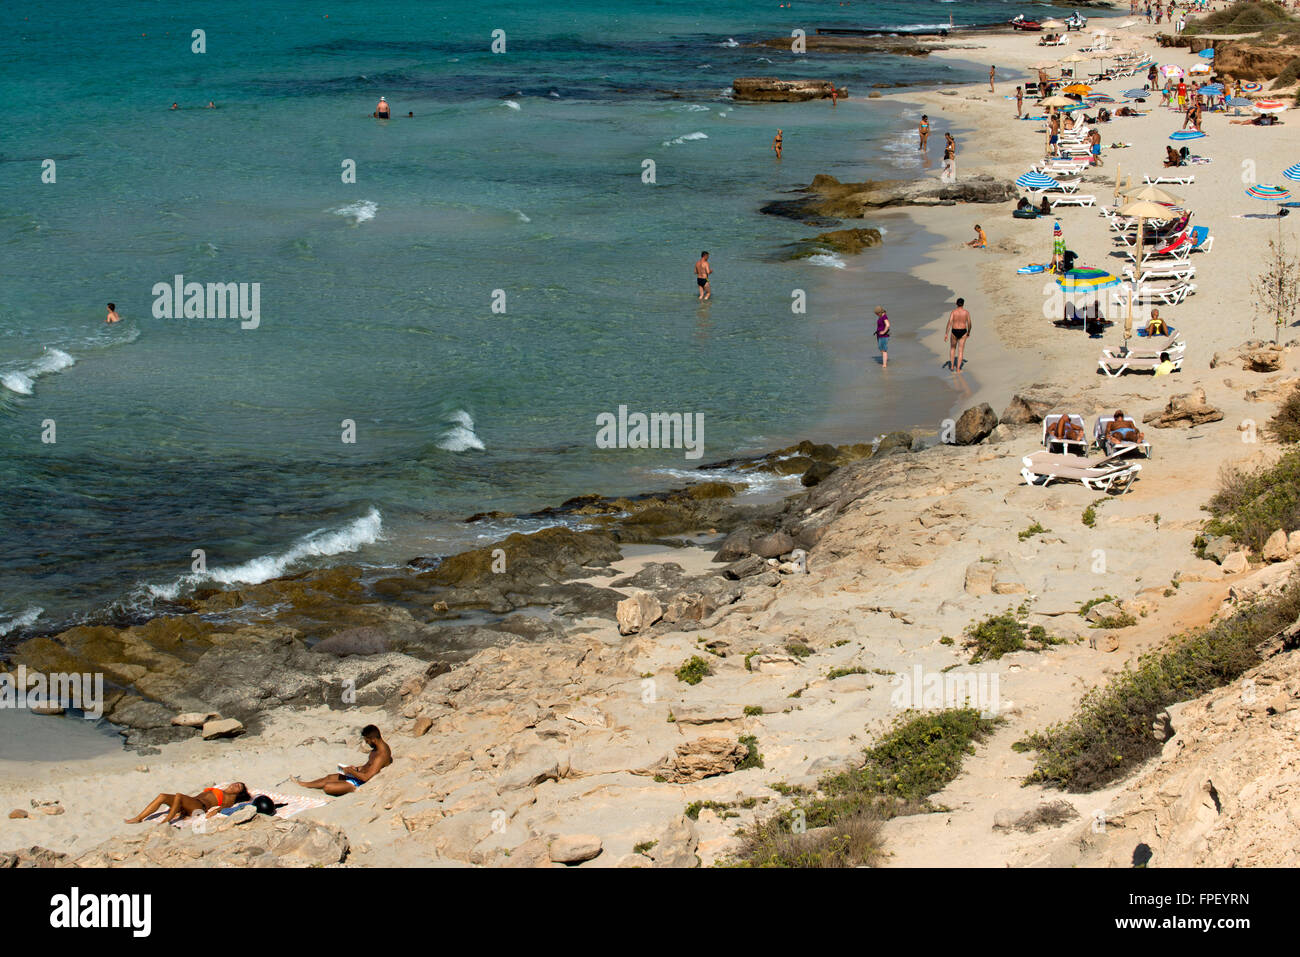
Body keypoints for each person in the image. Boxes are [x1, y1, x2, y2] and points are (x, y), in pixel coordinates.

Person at [295, 725, 392, 796]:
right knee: (329, 777)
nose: (366, 743)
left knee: (327, 787)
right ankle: (304, 784)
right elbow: (369, 765)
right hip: (358, 775)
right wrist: (356, 769)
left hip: (360, 784)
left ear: (373, 740)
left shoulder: (381, 755)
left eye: (367, 741)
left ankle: (346, 788)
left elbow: (366, 778)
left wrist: (351, 771)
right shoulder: (376, 749)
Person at [125, 782, 251, 824]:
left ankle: (166, 821)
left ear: (238, 793)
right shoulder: (220, 789)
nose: (235, 785)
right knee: (162, 796)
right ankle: (139, 818)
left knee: (179, 796)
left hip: (198, 807)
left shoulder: (229, 797)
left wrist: (215, 810)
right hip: (190, 803)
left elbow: (226, 806)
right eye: (236, 783)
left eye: (238, 787)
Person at [945, 297, 972, 371]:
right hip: (963, 331)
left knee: (953, 348)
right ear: (963, 304)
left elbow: (949, 323)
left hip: (954, 331)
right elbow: (969, 323)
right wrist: (968, 332)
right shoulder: (966, 312)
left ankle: (952, 366)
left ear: (956, 303)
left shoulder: (953, 312)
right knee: (960, 350)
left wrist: (946, 334)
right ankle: (958, 369)